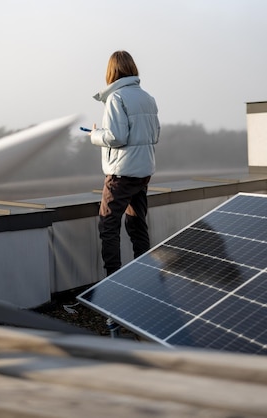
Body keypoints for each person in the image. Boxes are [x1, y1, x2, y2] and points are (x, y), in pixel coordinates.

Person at [88, 50, 160, 276]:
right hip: (143, 172)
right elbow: (155, 135)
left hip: (121, 174)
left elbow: (116, 137)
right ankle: (145, 275)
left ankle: (113, 282)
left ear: (111, 71)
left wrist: (95, 135)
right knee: (137, 224)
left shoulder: (115, 98)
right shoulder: (148, 98)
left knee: (108, 225)